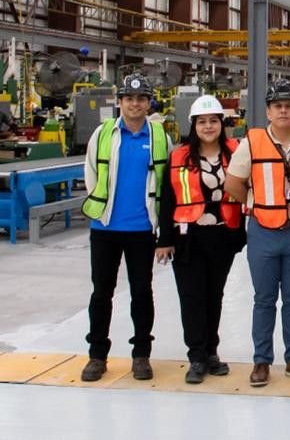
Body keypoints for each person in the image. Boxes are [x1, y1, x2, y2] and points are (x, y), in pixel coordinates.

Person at [224, 79, 290, 388]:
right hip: (263, 234)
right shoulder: (251, 143)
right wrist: (254, 205)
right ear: (268, 111)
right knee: (264, 299)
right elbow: (233, 183)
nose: (283, 111)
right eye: (278, 106)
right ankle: (262, 361)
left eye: (289, 106)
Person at [79, 73, 171, 383]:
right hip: (105, 228)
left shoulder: (159, 137)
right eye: (129, 98)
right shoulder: (103, 133)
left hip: (142, 230)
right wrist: (101, 208)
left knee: (142, 292)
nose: (135, 104)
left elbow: (166, 184)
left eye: (141, 98)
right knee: (101, 293)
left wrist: (161, 229)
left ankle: (141, 355)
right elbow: (91, 171)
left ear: (149, 103)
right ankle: (97, 355)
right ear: (120, 102)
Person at [157, 94, 246, 384]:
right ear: (193, 126)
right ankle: (196, 357)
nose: (208, 126)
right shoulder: (179, 156)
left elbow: (250, 188)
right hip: (188, 238)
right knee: (192, 297)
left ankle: (211, 353)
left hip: (223, 235)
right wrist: (164, 239)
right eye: (202, 122)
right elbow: (168, 199)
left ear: (222, 124)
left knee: (214, 296)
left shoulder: (236, 152)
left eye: (213, 121)